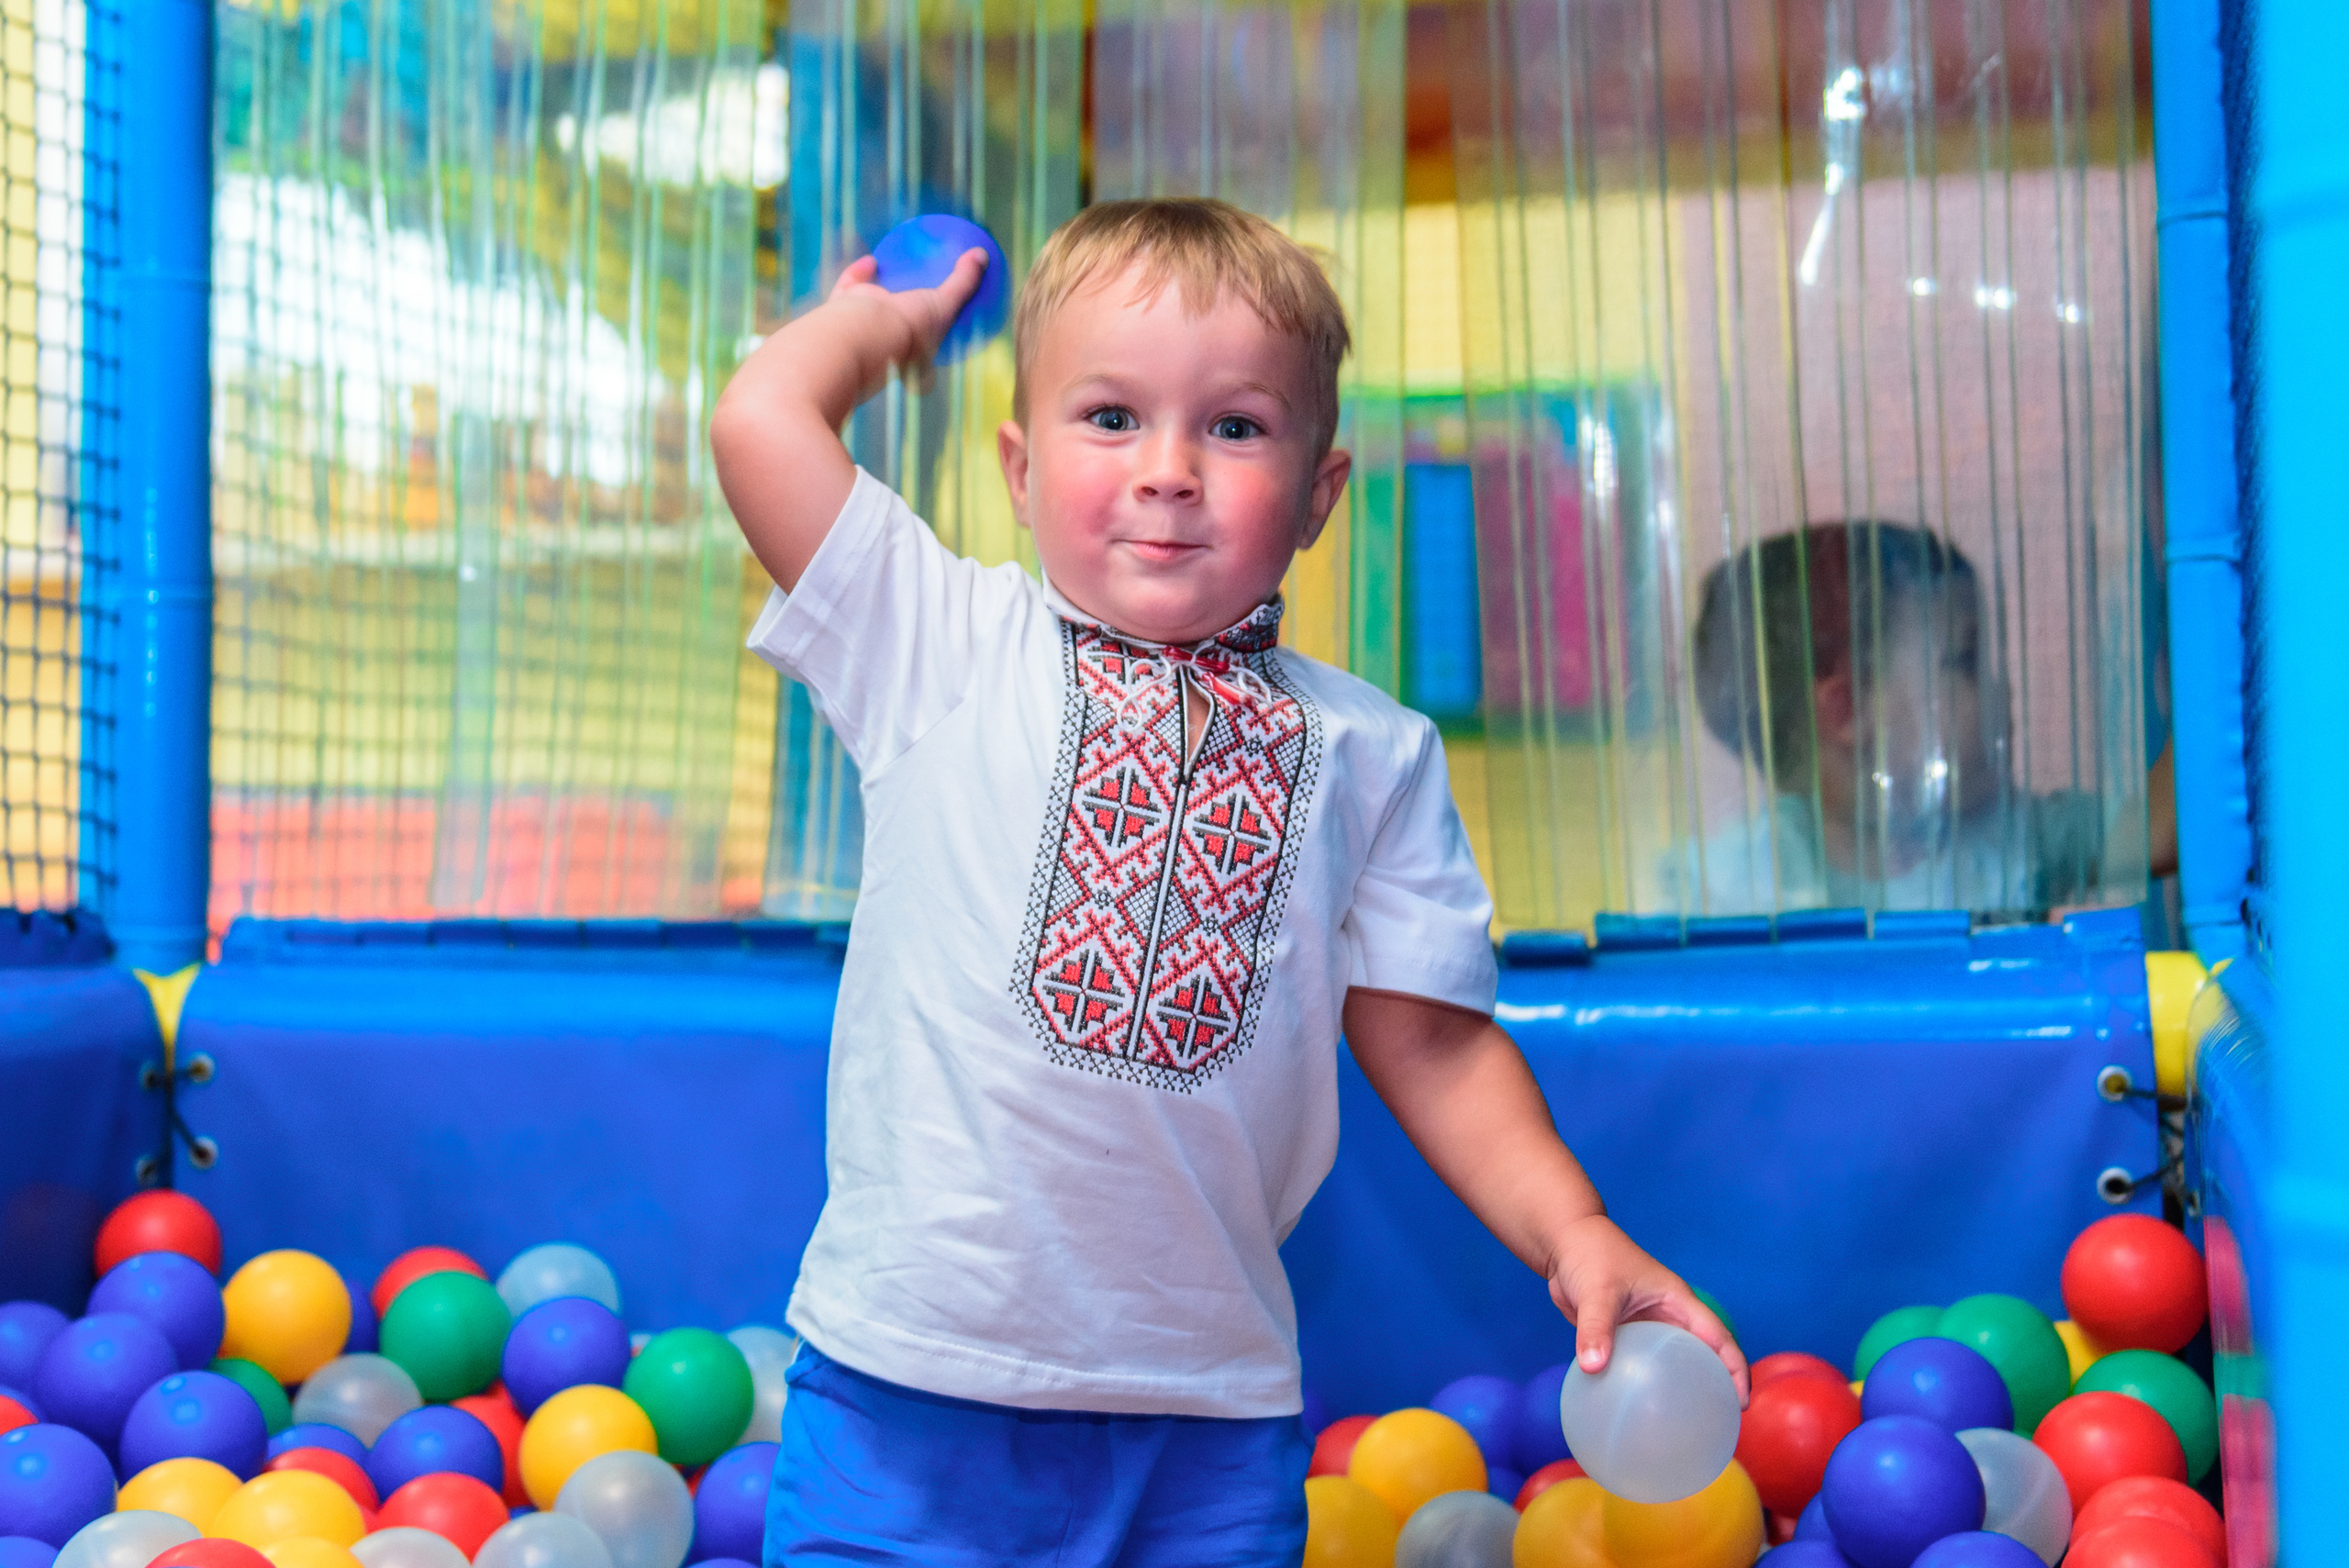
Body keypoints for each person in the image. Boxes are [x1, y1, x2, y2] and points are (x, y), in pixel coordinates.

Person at [710, 197, 1742, 1565]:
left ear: (1320, 495)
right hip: (918, 1381)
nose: (1169, 469)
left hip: (1204, 1411)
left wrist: (1576, 1230)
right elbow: (760, 426)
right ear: (1019, 469)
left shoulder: (1372, 754)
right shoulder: (941, 647)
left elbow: (1431, 1040)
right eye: (1112, 418)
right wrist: (880, 325)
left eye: (1236, 426)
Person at [1681, 520, 2177, 915]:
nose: (2001, 691)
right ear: (1847, 709)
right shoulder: (1733, 894)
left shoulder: (2012, 838)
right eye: (1963, 661)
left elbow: (2161, 829)